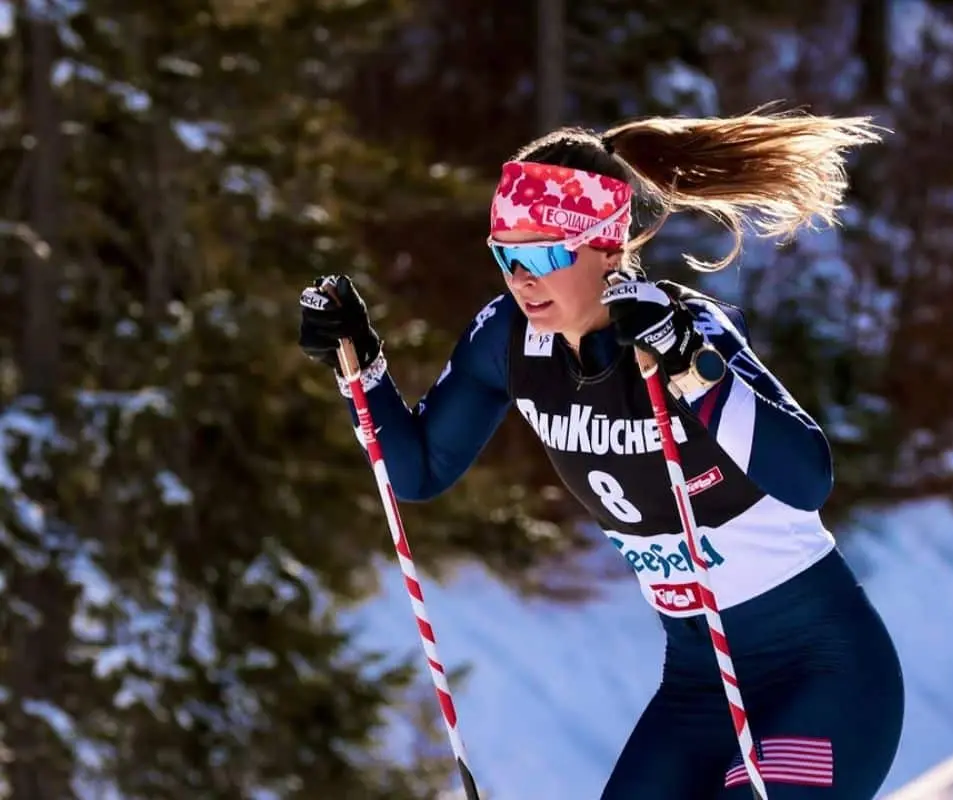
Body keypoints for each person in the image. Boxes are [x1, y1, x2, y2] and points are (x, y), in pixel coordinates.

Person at [298, 109, 905, 799]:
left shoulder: (679, 331)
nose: (523, 279)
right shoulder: (508, 340)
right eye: (506, 254)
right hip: (699, 688)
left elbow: (807, 478)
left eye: (545, 255)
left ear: (608, 248)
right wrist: (359, 365)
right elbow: (419, 470)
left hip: (822, 673)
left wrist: (691, 372)